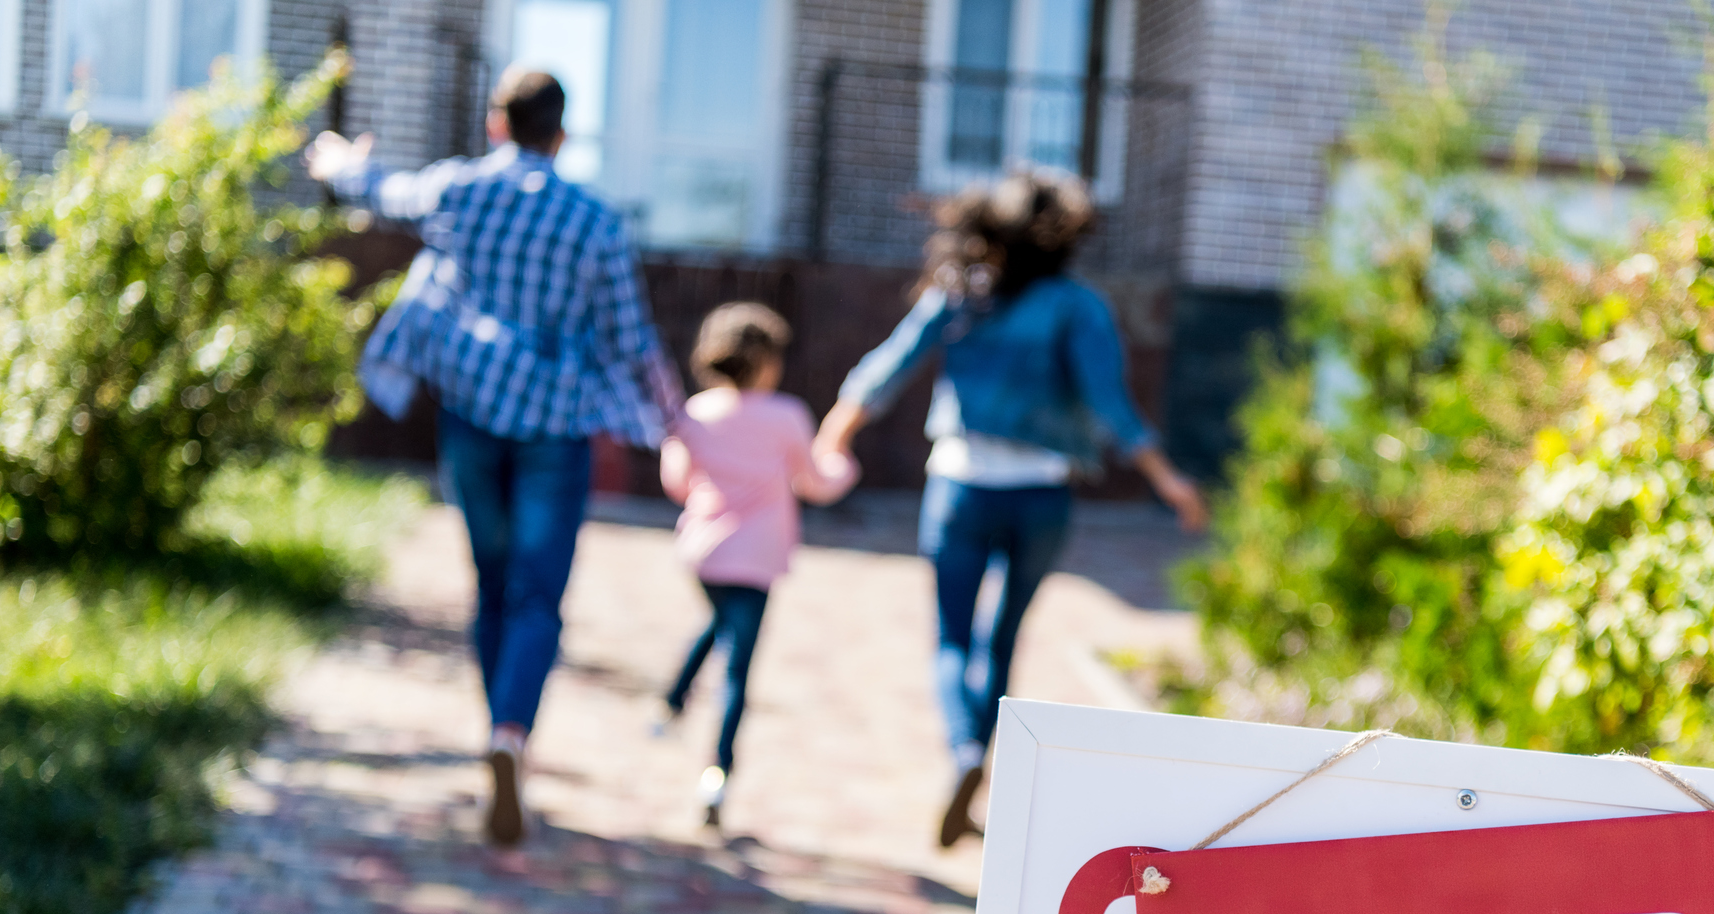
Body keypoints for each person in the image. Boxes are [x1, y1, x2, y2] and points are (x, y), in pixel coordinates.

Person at [305, 68, 683, 846]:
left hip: (472, 412)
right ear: (562, 134)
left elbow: (382, 190)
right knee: (538, 597)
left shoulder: (460, 190)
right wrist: (681, 424)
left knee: (491, 581)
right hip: (555, 425)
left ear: (495, 123)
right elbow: (630, 339)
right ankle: (512, 733)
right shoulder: (595, 221)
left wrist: (339, 161)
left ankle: (497, 732)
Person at [812, 170, 1209, 848]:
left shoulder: (963, 293)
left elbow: (892, 361)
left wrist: (834, 432)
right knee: (1001, 639)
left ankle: (964, 751)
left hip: (961, 485)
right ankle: (978, 760)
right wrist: (1166, 479)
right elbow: (1112, 405)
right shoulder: (1079, 306)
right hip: (1042, 496)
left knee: (950, 637)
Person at [660, 303, 859, 828]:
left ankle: (673, 698)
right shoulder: (787, 415)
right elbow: (816, 481)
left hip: (704, 552)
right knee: (737, 667)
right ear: (767, 361)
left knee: (723, 624)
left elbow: (676, 481)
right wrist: (842, 461)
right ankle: (718, 773)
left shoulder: (693, 413)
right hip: (757, 556)